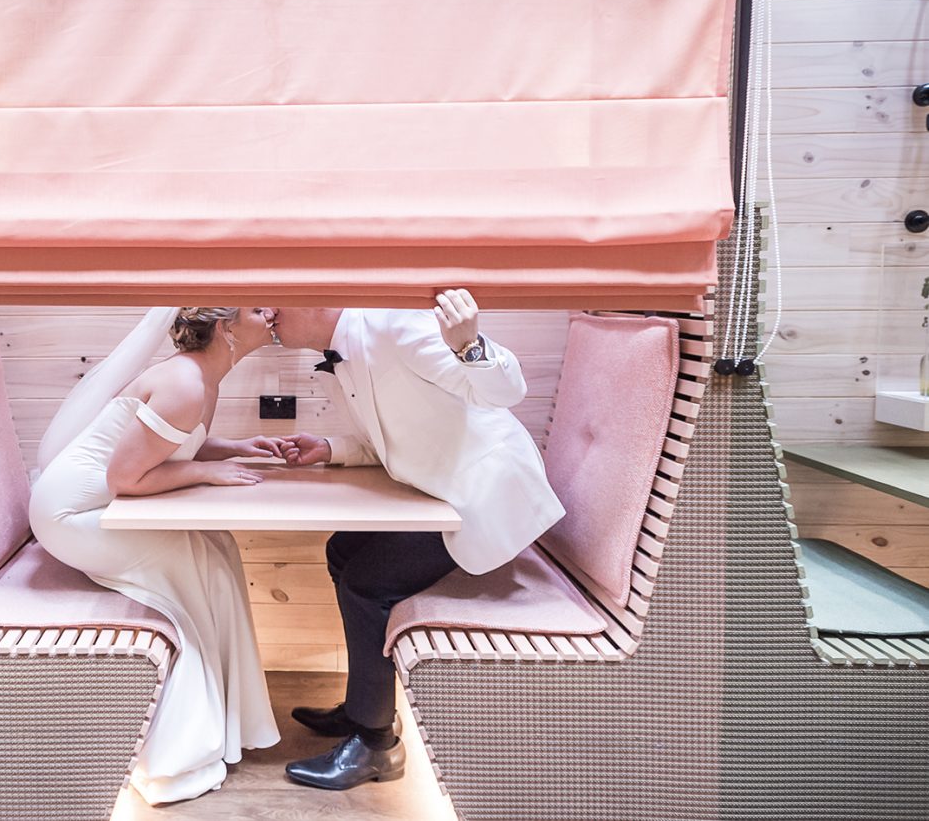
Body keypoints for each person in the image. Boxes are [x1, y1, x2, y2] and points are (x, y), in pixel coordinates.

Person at [271, 289, 566, 790]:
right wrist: (331, 448)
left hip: (482, 496)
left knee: (368, 584)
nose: (268, 314)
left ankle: (375, 745)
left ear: (316, 296)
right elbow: (394, 438)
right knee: (343, 549)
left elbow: (502, 391)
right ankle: (365, 703)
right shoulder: (347, 347)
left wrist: (469, 346)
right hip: (442, 492)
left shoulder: (394, 322)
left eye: (274, 301)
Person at [29, 307, 282, 806]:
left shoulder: (203, 376)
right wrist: (209, 475)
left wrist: (232, 449)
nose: (272, 311)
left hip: (105, 507)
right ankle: (177, 753)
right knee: (195, 554)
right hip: (71, 518)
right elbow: (124, 479)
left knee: (217, 545)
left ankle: (233, 721)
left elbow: (168, 448)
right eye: (258, 308)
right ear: (227, 328)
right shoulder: (186, 382)